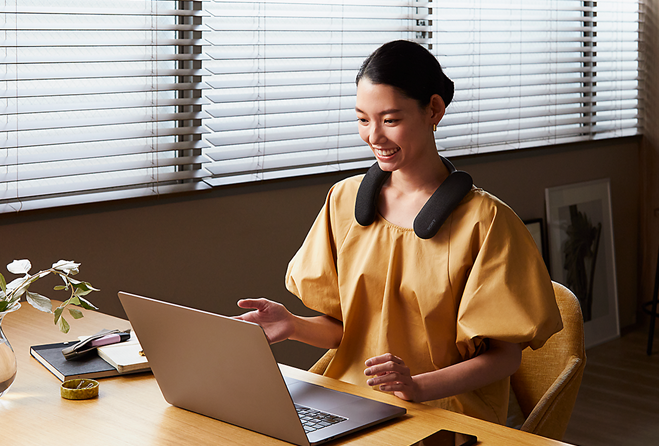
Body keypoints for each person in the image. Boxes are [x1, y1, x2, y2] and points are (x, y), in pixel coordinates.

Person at [236, 40, 563, 424]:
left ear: (434, 110)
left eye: (390, 120)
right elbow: (350, 333)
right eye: (362, 119)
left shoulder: (487, 222)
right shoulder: (343, 201)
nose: (374, 136)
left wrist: (418, 387)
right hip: (351, 401)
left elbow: (505, 357)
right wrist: (292, 325)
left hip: (446, 413)